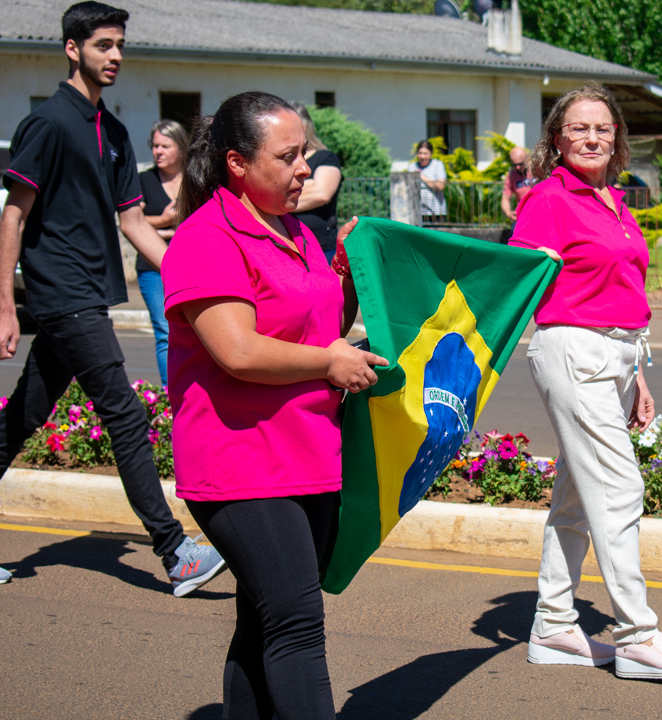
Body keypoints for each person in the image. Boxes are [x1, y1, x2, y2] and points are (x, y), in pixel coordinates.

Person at [0, 1, 225, 596]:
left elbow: (134, 223)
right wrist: (5, 306)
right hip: (61, 293)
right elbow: (13, 215)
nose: (117, 56)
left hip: (88, 294)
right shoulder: (48, 124)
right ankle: (175, 551)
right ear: (73, 49)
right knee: (126, 415)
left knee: (25, 413)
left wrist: (195, 276)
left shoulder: (114, 132)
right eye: (104, 45)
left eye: (121, 45)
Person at [162, 90, 388, 719]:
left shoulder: (296, 231)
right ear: (237, 163)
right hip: (239, 462)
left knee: (263, 621)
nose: (304, 170)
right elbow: (237, 351)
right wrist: (328, 362)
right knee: (295, 623)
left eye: (305, 155)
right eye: (288, 157)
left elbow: (317, 327)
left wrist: (345, 273)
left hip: (307, 454)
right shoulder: (207, 237)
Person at [509, 84, 662, 680]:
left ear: (617, 138)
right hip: (574, 352)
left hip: (617, 357)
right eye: (578, 128)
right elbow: (522, 277)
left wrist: (637, 375)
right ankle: (638, 637)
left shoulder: (612, 201)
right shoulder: (547, 199)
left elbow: (624, 292)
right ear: (556, 139)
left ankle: (553, 626)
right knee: (618, 489)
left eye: (602, 128)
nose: (591, 137)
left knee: (575, 497)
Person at [138, 118, 189, 386]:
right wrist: (165, 221)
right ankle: (170, 392)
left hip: (190, 265)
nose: (157, 151)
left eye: (164, 146)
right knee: (164, 332)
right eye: (154, 146)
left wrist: (158, 227)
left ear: (180, 148)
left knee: (192, 332)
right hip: (152, 269)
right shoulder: (144, 179)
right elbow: (131, 220)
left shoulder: (193, 178)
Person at [289, 101, 342, 264]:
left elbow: (322, 194)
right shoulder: (282, 159)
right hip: (287, 244)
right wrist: (310, 184)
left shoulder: (325, 157)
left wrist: (278, 203)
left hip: (321, 247)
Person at [407, 139, 447, 222]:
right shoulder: (412, 167)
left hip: (436, 211)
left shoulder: (437, 165)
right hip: (418, 211)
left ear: (431, 154)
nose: (422, 157)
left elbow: (440, 186)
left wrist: (421, 177)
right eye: (420, 153)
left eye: (425, 154)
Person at [500, 146, 535, 222]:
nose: (518, 167)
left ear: (527, 159)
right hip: (522, 216)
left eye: (520, 164)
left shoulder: (537, 169)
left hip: (539, 213)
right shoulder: (512, 176)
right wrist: (509, 213)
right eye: (514, 165)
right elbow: (505, 199)